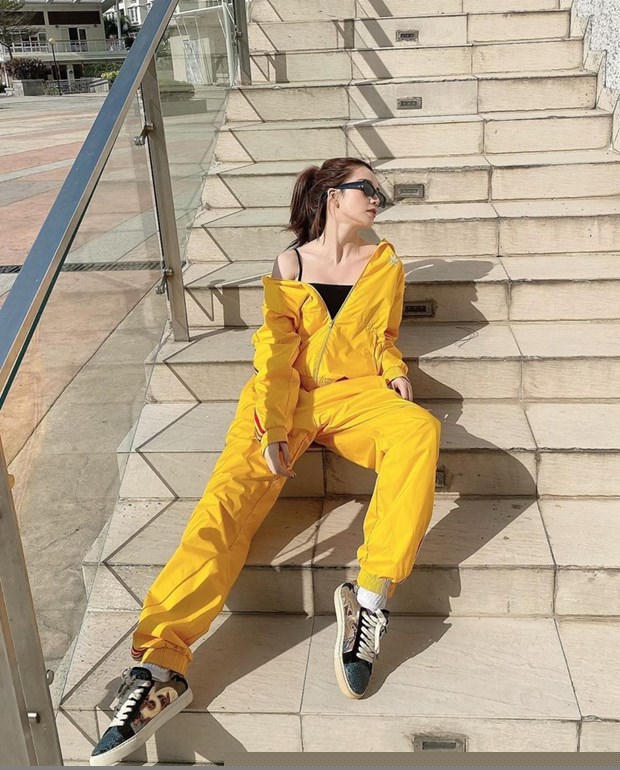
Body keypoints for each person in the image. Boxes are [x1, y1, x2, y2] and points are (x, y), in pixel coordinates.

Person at [89, 157, 442, 765]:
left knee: (419, 431)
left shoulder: (386, 263)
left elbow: (384, 336)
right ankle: (160, 666)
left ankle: (368, 597)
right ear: (333, 196)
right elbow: (277, 353)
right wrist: (275, 425)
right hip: (283, 399)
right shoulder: (290, 266)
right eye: (366, 187)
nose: (377, 198)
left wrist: (394, 370)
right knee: (223, 508)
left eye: (380, 191)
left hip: (356, 395)